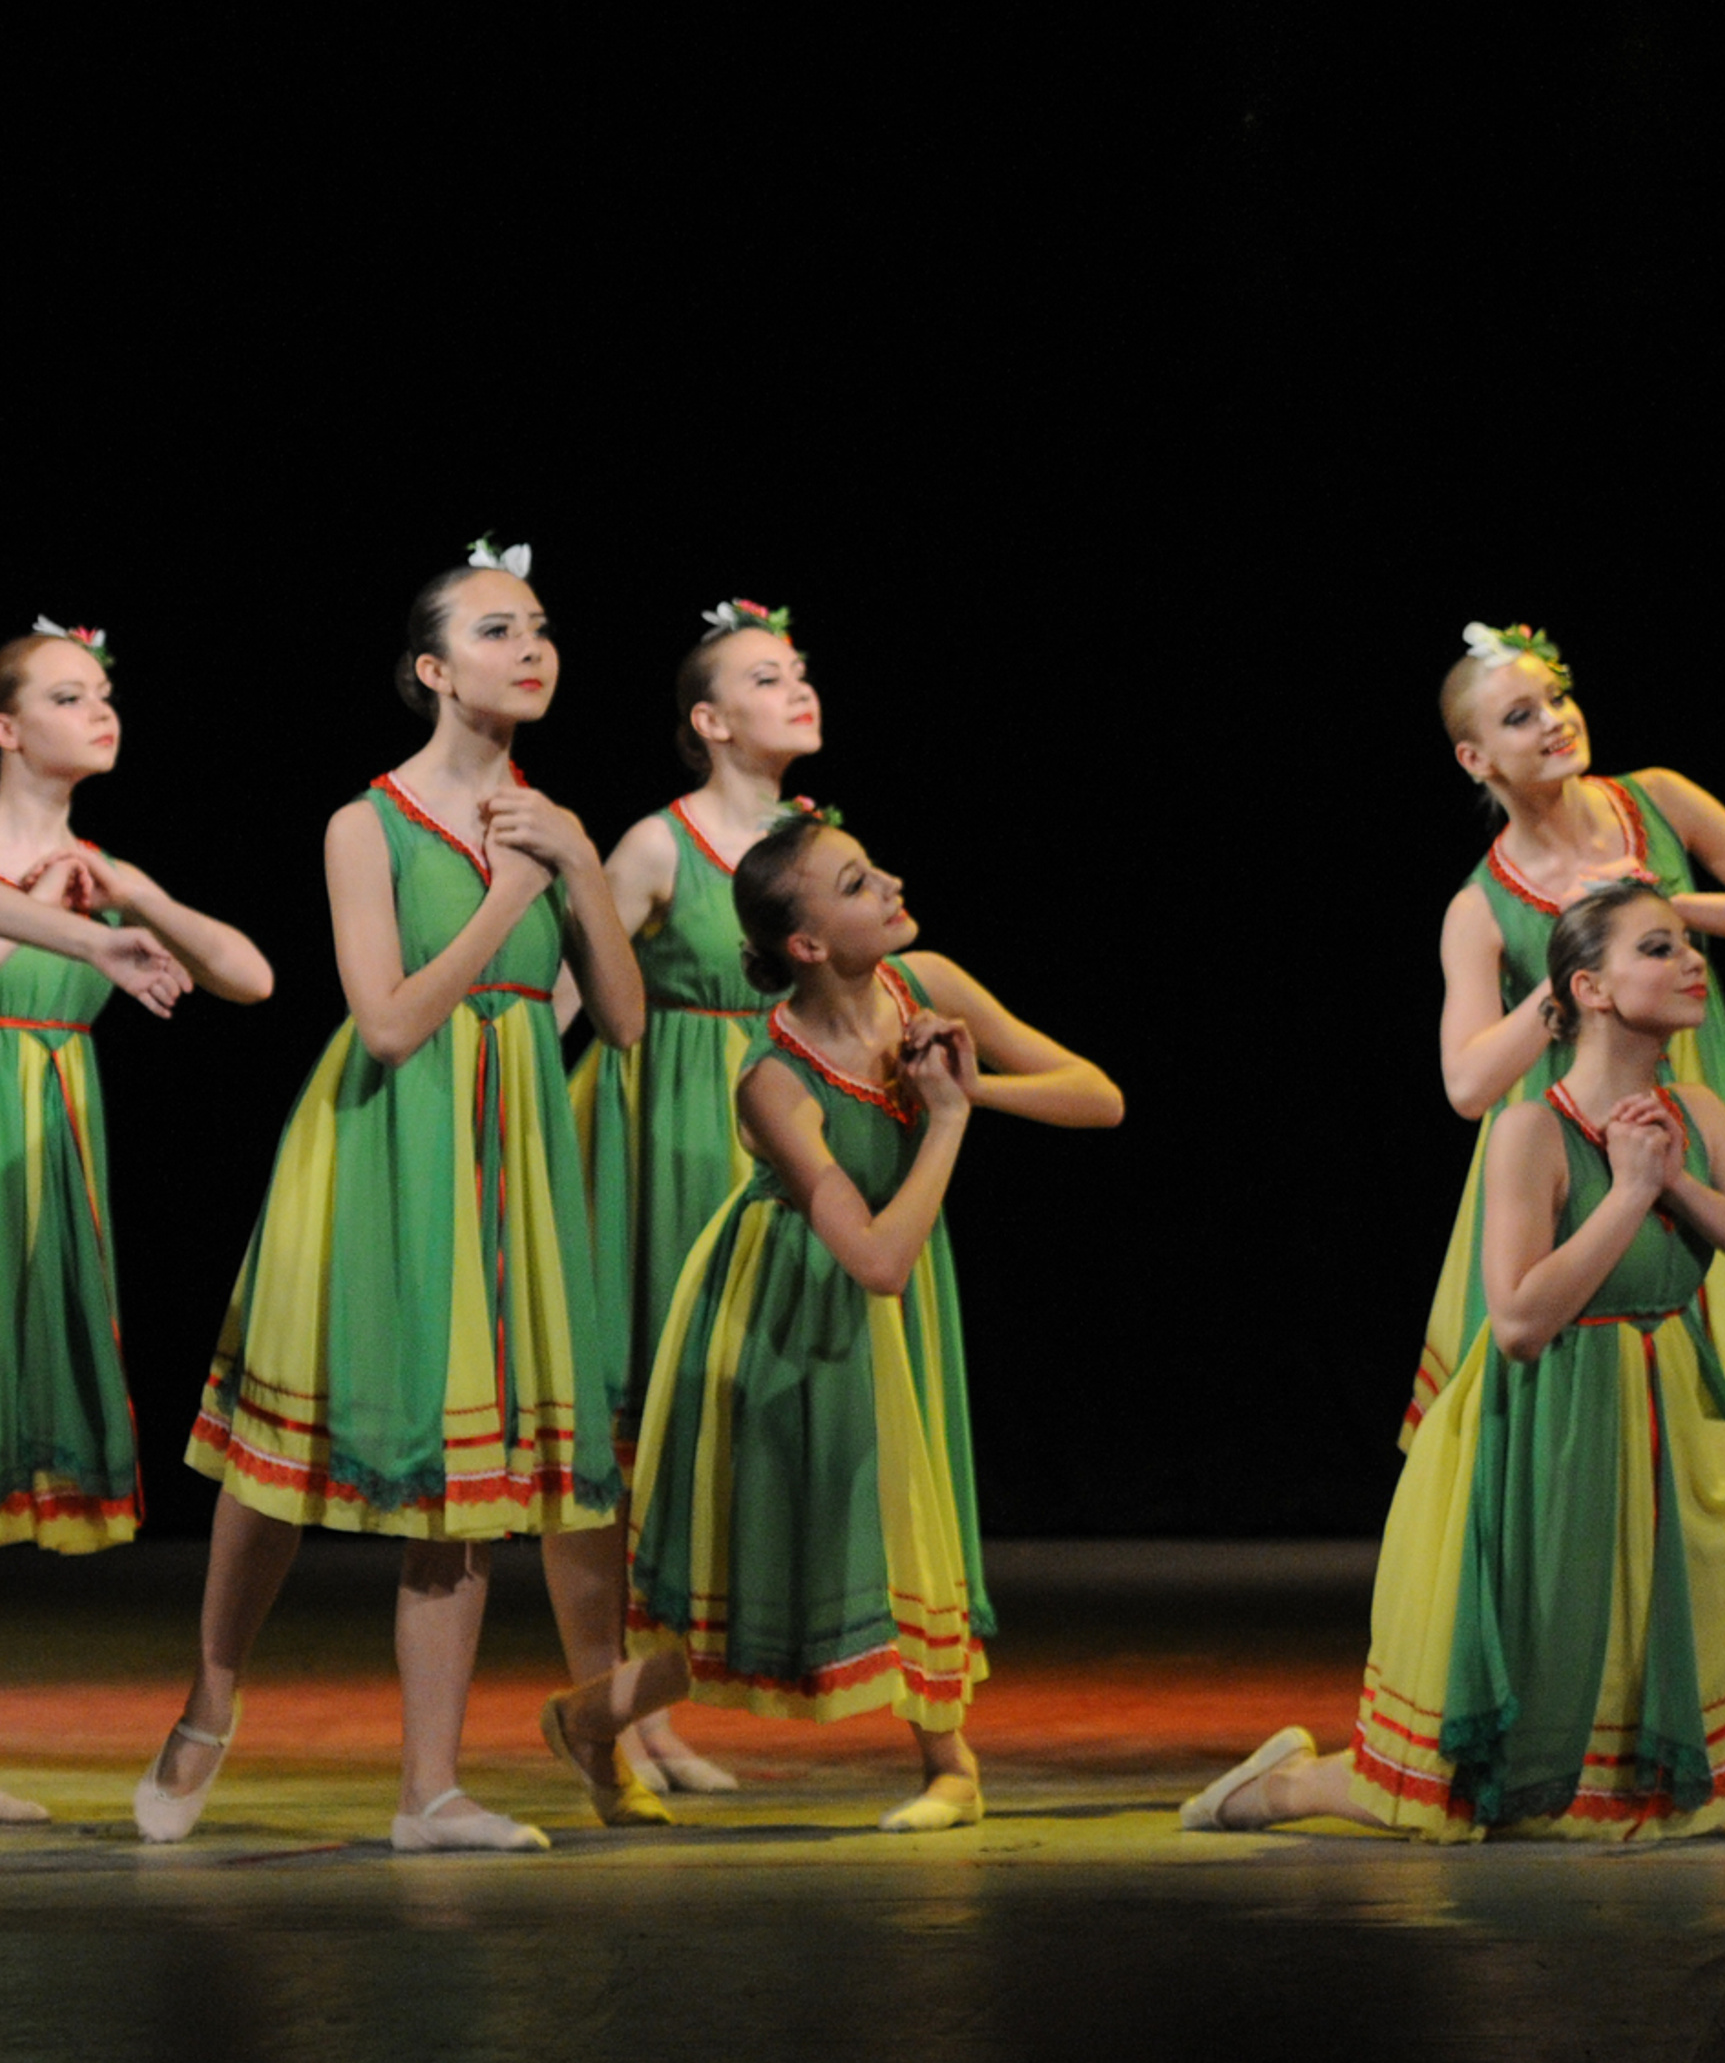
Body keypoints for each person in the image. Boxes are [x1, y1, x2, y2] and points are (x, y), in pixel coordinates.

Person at [1185, 882, 1725, 1841]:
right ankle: (1280, 1789)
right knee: (1485, 1788)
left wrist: (1676, 1187)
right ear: (1591, 987)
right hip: (1541, 1433)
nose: (1693, 962)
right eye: (1659, 949)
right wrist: (1626, 1197)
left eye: (1689, 944)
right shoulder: (1529, 1131)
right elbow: (1518, 1323)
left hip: (1655, 1420)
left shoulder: (1695, 1114)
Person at [142, 538, 649, 1853]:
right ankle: (209, 1699)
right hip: (377, 1147)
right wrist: (512, 894)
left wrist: (579, 870)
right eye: (494, 629)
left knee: (465, 1476)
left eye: (539, 624)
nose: (529, 645)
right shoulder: (363, 825)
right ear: (433, 669)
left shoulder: (559, 824)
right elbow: (384, 1023)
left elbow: (628, 1025)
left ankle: (429, 1789)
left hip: (504, 1159)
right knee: (282, 1462)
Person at [539, 813, 1121, 1834]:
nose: (891, 881)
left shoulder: (926, 984)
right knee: (780, 1563)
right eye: (857, 883)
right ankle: (593, 1716)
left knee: (903, 1515)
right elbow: (876, 1260)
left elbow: (1098, 1096)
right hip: (785, 1313)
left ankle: (951, 1765)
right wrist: (944, 1121)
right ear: (804, 944)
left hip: (893, 1292)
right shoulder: (773, 1077)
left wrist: (976, 1086)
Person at [1407, 622, 1725, 1446]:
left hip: (1677, 1100)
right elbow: (1467, 1087)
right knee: (1568, 1342)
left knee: (1689, 1322)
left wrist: (1670, 909)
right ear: (1477, 758)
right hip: (1568, 1140)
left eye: (1557, 698)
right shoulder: (1479, 907)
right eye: (1520, 716)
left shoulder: (1657, 801)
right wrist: (1574, 963)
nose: (1554, 721)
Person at [2, 622, 273, 1826]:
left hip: (49, 1150)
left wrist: (143, 900)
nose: (100, 710)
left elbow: (252, 977)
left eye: (105, 692)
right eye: (68, 695)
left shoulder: (100, 870)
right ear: (7, 728)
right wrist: (85, 935)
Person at [562, 598, 821, 1792]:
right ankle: (622, 1709)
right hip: (661, 1143)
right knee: (629, 1439)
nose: (797, 688)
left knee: (717, 1432)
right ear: (709, 720)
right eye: (767, 677)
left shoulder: (819, 840)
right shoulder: (660, 845)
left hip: (777, 1137)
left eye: (799, 671)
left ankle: (654, 1696)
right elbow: (575, 993)